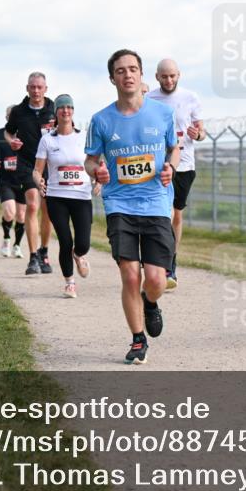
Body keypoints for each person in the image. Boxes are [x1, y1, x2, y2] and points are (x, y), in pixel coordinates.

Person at [85, 49, 179, 365]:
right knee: (129, 274)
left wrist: (171, 168)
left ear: (141, 76)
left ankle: (150, 303)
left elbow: (173, 149)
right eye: (121, 70)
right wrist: (95, 171)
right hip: (119, 204)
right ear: (113, 78)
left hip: (155, 203)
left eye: (133, 69)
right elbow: (90, 160)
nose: (128, 75)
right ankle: (138, 339)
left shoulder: (163, 114)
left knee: (155, 280)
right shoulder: (100, 120)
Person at [147, 58, 205, 289]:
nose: (168, 80)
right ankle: (160, 262)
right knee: (164, 213)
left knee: (175, 215)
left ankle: (171, 262)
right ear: (157, 77)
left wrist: (198, 134)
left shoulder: (191, 98)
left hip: (184, 165)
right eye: (164, 76)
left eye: (172, 76)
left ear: (178, 75)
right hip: (158, 165)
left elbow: (202, 132)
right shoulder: (149, 99)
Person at [34, 94, 98, 298]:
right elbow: (37, 170)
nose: (65, 111)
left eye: (69, 107)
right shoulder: (47, 140)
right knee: (65, 240)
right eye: (61, 108)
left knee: (83, 243)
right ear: (56, 112)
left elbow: (96, 163)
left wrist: (98, 180)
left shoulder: (85, 136)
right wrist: (38, 181)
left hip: (81, 196)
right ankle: (69, 282)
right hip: (56, 197)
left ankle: (79, 256)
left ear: (73, 111)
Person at [5, 72, 57, 275]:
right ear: (27, 88)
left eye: (39, 87)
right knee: (33, 202)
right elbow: (8, 132)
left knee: (48, 209)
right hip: (27, 163)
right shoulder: (19, 111)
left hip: (50, 165)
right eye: (32, 87)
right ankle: (33, 256)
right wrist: (12, 142)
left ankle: (44, 252)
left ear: (46, 89)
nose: (36, 91)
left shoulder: (53, 109)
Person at [0, 106, 26, 258]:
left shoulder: (26, 134)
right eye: (10, 115)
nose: (12, 117)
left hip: (23, 179)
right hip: (5, 180)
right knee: (10, 212)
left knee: (21, 216)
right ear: (6, 117)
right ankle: (6, 239)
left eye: (15, 115)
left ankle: (17, 245)